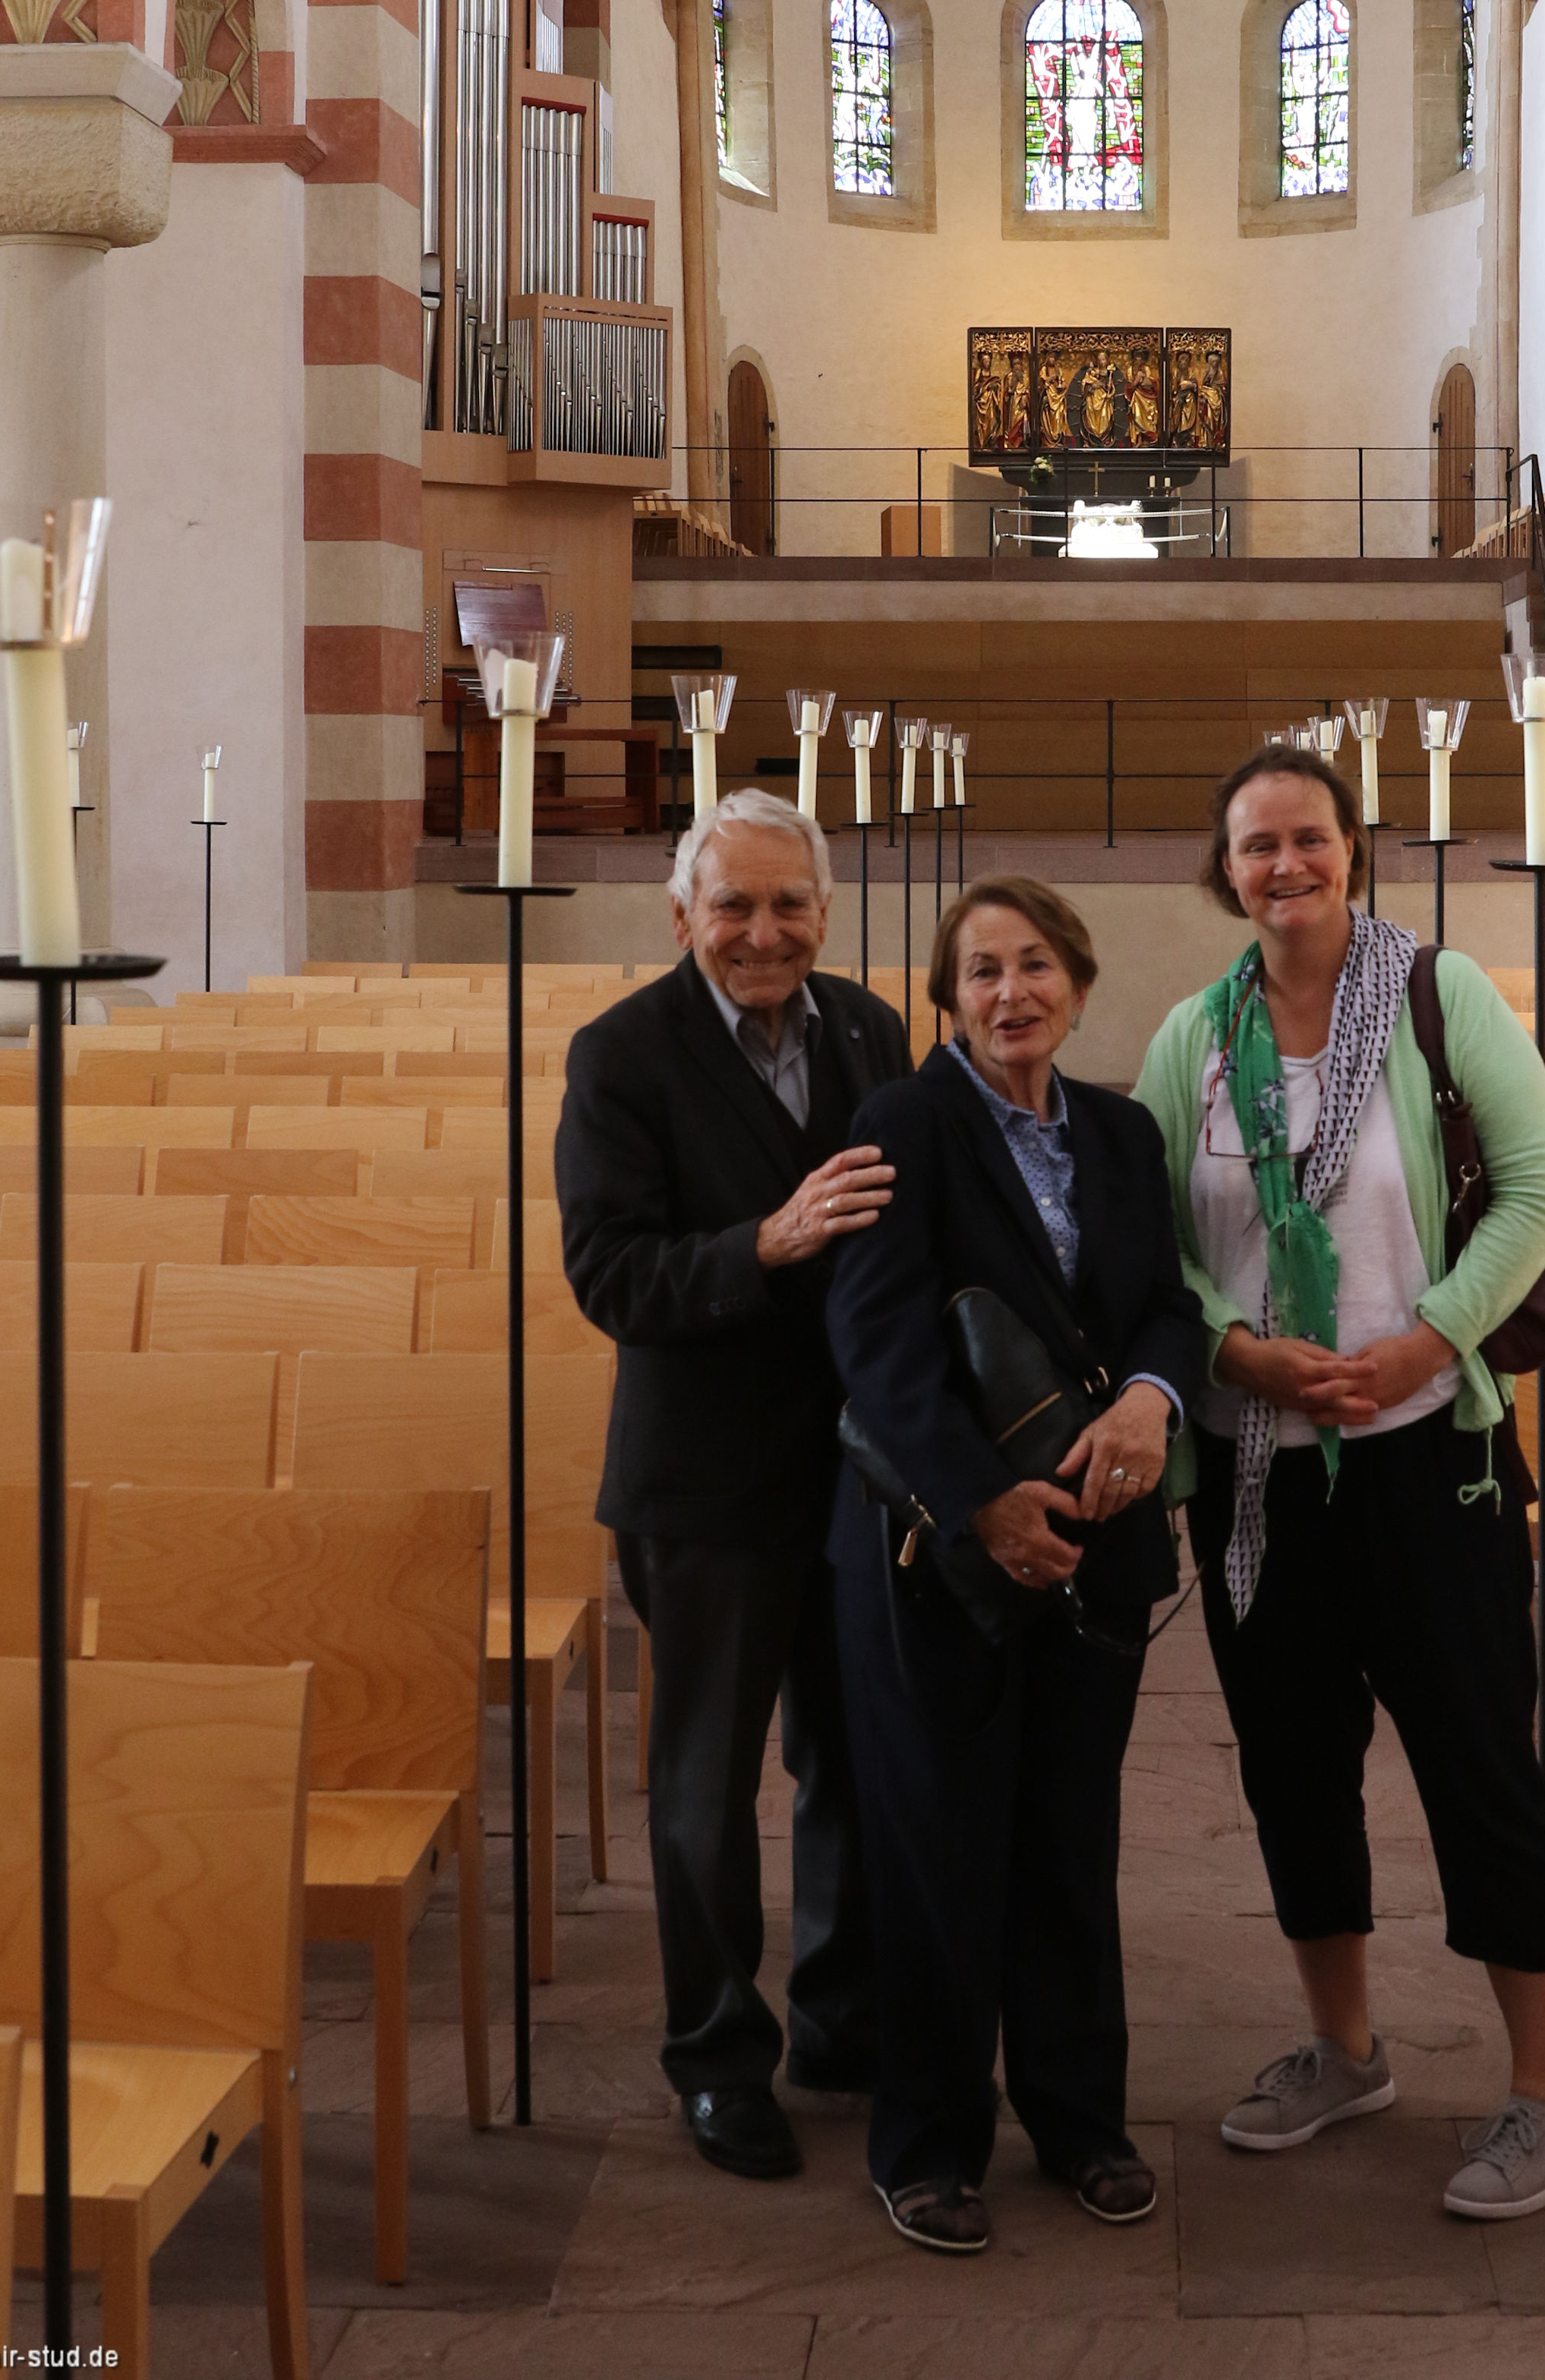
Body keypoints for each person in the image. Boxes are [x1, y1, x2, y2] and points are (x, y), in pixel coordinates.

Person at [1132, 746, 1545, 2222]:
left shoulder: (1440, 997)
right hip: (1258, 1472)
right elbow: (1151, 1249)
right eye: (1257, 844)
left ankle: (1544, 2097)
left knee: (1480, 1765)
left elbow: (1534, 1192)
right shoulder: (1192, 1037)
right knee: (1292, 1767)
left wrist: (1424, 1344)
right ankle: (1344, 2049)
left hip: (1432, 1459)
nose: (1286, 864)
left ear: (1353, 850)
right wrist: (1239, 1353)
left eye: (1309, 838)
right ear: (1226, 870)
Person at [826, 877, 1206, 2255]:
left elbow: (1165, 1302)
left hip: (1096, 1537)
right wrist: (983, 1504)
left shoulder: (1121, 1130)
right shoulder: (903, 1123)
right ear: (947, 998)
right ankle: (927, 2144)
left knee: (1068, 1836)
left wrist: (1154, 1397)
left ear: (1079, 987)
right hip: (939, 1549)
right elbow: (875, 1343)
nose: (1011, 993)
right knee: (940, 1844)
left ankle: (1080, 2120)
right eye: (982, 971)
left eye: (1035, 965)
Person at [558, 788, 912, 2182]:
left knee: (851, 1758)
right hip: (703, 1480)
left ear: (824, 911)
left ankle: (842, 2020)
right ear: (681, 916)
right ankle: (716, 2059)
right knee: (705, 1787)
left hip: (854, 1471)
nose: (763, 933)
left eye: (788, 905)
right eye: (733, 906)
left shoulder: (871, 1029)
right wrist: (763, 1244)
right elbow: (610, 1275)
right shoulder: (623, 1055)